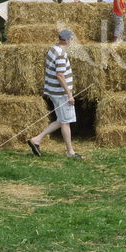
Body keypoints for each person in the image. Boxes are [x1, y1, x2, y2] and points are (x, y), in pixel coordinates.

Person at [28, 30, 82, 159]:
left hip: (53, 90)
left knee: (62, 120)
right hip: (60, 93)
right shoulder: (61, 54)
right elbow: (60, 75)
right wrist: (69, 94)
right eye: (72, 39)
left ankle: (36, 140)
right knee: (66, 121)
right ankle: (70, 152)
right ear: (68, 40)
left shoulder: (53, 49)